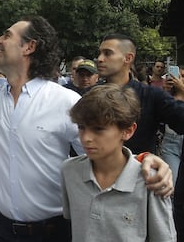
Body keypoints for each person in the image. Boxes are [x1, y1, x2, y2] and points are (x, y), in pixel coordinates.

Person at [0, 16, 175, 242]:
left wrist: (145, 160)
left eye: (7, 36)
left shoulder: (65, 102)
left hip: (52, 232)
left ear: (29, 47)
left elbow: (106, 154)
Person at [62, 84, 176, 241]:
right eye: (81, 127)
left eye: (98, 129)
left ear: (128, 131)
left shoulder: (150, 181)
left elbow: (164, 237)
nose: (86, 138)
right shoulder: (70, 171)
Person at [97, 33, 184, 159]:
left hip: (140, 172)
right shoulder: (90, 95)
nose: (100, 59)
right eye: (99, 53)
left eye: (107, 53)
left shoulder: (151, 95)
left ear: (128, 58)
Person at [161, 70, 184, 185]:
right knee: (171, 183)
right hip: (170, 142)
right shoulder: (168, 96)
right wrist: (164, 91)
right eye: (178, 76)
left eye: (183, 76)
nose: (180, 79)